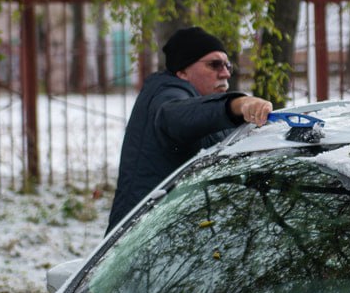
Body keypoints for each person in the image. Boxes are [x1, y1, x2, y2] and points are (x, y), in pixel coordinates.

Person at [107, 26, 273, 232]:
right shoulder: (165, 96)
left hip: (175, 233)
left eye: (227, 65)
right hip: (141, 239)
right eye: (214, 65)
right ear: (183, 71)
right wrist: (236, 105)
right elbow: (179, 117)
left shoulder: (203, 104)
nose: (225, 73)